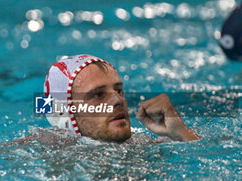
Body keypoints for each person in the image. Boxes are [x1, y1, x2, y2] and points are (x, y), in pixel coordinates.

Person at [42, 54, 200, 144]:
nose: (118, 100)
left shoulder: (141, 144)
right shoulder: (36, 152)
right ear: (64, 113)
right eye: (98, 95)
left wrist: (181, 133)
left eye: (118, 90)